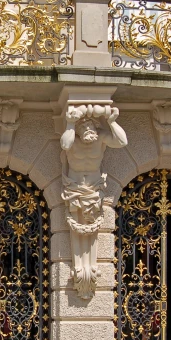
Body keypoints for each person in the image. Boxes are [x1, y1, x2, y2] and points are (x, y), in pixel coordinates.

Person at [61, 106, 127, 299]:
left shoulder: (101, 137)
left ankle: (88, 270)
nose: (88, 129)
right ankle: (81, 271)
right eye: (84, 126)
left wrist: (113, 122)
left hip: (94, 188)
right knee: (77, 227)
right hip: (74, 188)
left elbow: (122, 141)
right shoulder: (71, 138)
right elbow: (65, 145)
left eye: (91, 125)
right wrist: (71, 123)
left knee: (90, 228)